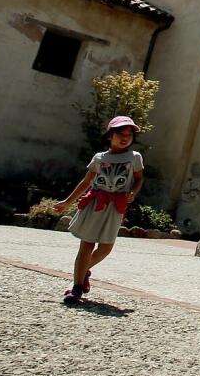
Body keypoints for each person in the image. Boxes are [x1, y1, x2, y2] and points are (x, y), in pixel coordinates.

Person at [53, 116, 143, 304]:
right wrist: (67, 202)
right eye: (120, 133)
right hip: (95, 204)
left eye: (129, 135)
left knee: (105, 248)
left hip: (116, 206)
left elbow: (139, 179)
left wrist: (133, 192)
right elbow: (86, 182)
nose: (125, 137)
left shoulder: (135, 158)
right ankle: (76, 288)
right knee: (86, 245)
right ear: (110, 135)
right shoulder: (99, 158)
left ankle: (84, 271)